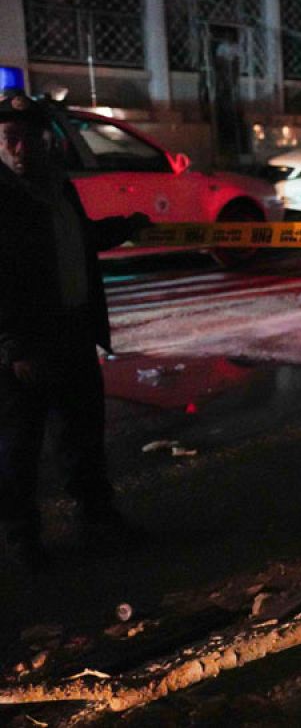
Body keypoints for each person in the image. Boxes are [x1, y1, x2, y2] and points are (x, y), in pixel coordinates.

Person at [0, 96, 150, 571]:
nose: (20, 147)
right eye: (10, 139)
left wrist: (126, 227)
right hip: (27, 347)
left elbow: (79, 239)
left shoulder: (57, 187)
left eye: (29, 136)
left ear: (48, 140)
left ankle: (96, 515)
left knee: (82, 436)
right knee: (20, 448)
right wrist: (13, 346)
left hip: (73, 333)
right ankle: (22, 539)